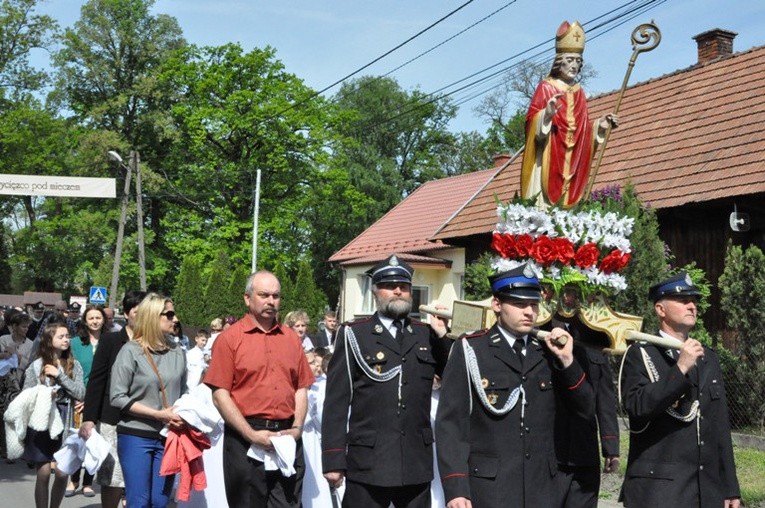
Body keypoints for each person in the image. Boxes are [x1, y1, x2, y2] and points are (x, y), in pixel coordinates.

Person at [435, 263, 595, 507]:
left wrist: (567, 361)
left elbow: (584, 408)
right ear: (497, 305)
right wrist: (456, 487)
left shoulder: (548, 350)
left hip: (542, 487)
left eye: (533, 304)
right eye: (520, 304)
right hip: (490, 488)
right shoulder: (472, 349)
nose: (529, 312)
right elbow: (452, 425)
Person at [322, 255, 450, 508]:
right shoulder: (354, 334)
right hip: (368, 461)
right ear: (376, 292)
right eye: (390, 286)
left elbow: (452, 378)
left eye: (403, 287)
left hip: (415, 460)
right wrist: (333, 459)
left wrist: (444, 336)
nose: (398, 292)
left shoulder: (425, 334)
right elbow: (336, 401)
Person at [619, 273, 741, 507]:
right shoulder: (641, 353)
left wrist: (730, 488)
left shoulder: (708, 358)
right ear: (660, 309)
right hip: (659, 491)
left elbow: (719, 426)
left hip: (705, 490)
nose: (692, 306)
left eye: (694, 301)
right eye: (683, 301)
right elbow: (637, 407)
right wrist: (681, 368)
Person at [204, 270, 315, 507]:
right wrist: (249, 434)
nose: (270, 301)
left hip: (286, 436)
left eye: (275, 296)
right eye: (264, 295)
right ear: (247, 298)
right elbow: (219, 394)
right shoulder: (229, 339)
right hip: (245, 438)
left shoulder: (291, 339)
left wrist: (296, 428)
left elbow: (301, 388)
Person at [521, 20, 618, 209]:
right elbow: (531, 127)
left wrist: (600, 126)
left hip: (572, 164)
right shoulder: (546, 88)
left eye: (578, 61)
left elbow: (583, 131)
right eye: (570, 60)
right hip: (547, 162)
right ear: (559, 62)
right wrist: (545, 116)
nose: (574, 65)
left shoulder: (579, 92)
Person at [110, 293, 186, 508]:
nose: (175, 319)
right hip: (136, 435)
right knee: (139, 502)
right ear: (153, 316)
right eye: (169, 314)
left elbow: (185, 391)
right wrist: (158, 414)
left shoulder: (178, 351)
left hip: (168, 436)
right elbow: (117, 397)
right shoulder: (130, 351)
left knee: (160, 502)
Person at [78, 290, 147, 508]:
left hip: (144, 416)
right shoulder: (110, 341)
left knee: (137, 476)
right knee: (113, 475)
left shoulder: (153, 343)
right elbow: (97, 381)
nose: (143, 317)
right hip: (112, 417)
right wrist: (89, 418)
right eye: (137, 312)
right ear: (126, 314)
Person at [549, 314, 620, 508]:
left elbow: (604, 397)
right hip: (549, 451)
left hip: (583, 449)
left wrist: (611, 447)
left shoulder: (592, 336)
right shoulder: (540, 332)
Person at [21, 322, 86, 508]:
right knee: (42, 472)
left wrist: (60, 376)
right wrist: (43, 394)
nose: (66, 339)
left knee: (61, 472)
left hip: (66, 419)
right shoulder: (36, 365)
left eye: (67, 336)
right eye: (61, 336)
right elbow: (26, 395)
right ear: (49, 341)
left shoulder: (74, 365)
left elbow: (81, 393)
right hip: (42, 420)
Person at [67, 304, 107, 498]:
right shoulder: (75, 343)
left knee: (94, 441)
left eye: (98, 318)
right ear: (84, 320)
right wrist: (79, 397)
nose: (94, 321)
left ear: (104, 320)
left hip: (100, 398)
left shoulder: (109, 342)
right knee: (79, 439)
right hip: (79, 398)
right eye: (91, 318)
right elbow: (70, 371)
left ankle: (88, 482)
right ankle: (73, 479)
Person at [302, 349, 336, 507]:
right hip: (303, 439)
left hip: (315, 439)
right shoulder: (304, 390)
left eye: (316, 362)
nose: (317, 365)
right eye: (311, 363)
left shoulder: (321, 386)